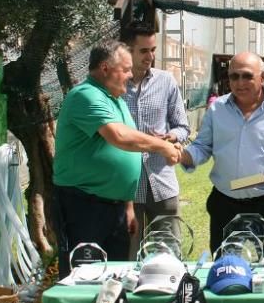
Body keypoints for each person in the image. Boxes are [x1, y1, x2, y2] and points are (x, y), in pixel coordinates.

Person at [53, 39, 181, 276]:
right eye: (126, 69)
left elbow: (125, 150)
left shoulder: (116, 101)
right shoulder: (85, 95)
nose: (130, 75)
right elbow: (119, 137)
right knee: (83, 276)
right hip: (84, 205)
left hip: (114, 208)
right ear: (105, 69)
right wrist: (162, 147)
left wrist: (128, 205)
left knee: (115, 275)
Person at [180, 52, 264, 256]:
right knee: (224, 269)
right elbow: (202, 147)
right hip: (225, 203)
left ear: (263, 77)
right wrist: (183, 155)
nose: (240, 82)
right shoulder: (217, 110)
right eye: (234, 76)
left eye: (247, 76)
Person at [120, 23, 191, 259]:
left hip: (162, 181)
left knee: (169, 252)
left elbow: (183, 127)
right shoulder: (114, 86)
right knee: (128, 254)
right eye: (143, 51)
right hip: (125, 185)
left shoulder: (166, 81)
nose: (150, 56)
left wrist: (171, 137)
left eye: (153, 50)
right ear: (126, 50)